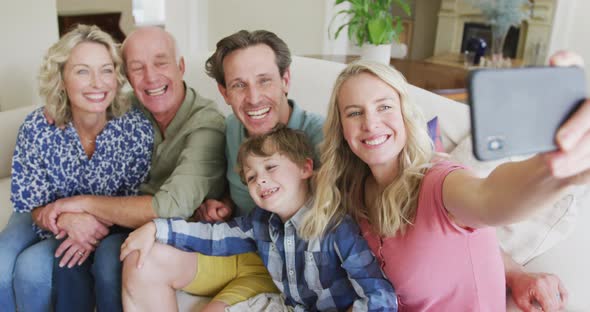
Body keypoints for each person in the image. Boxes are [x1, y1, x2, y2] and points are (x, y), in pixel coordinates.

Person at [301, 60, 589, 311]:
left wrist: (556, 171)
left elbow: (491, 199)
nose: (371, 123)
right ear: (341, 129)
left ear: (405, 113)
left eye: (384, 107)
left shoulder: (440, 182)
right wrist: (515, 272)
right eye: (354, 113)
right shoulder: (353, 193)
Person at [121, 30, 323, 311]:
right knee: (140, 259)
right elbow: (232, 195)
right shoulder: (229, 130)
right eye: (239, 85)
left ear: (285, 80)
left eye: (264, 81)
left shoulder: (321, 137)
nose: (253, 98)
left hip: (289, 268)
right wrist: (223, 206)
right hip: (238, 248)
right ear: (224, 92)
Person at [38, 26, 227, 311]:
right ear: (125, 76)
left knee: (107, 258)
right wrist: (60, 108)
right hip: (120, 220)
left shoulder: (207, 124)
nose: (151, 77)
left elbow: (170, 206)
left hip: (177, 229)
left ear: (181, 67)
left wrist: (82, 204)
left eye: (161, 63)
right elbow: (84, 108)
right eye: (137, 68)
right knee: (64, 256)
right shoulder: (126, 109)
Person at [121, 125, 398, 311]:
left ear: (305, 168)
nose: (261, 179)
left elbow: (379, 293)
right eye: (251, 177)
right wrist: (156, 228)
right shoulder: (261, 224)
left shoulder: (336, 226)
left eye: (271, 167)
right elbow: (213, 237)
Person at [0, 24, 153, 312]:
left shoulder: (135, 129)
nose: (98, 83)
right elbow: (34, 203)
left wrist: (89, 227)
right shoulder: (38, 128)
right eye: (83, 71)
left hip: (111, 221)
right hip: (45, 212)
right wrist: (67, 221)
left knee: (31, 268)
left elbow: (134, 200)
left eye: (106, 70)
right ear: (61, 79)